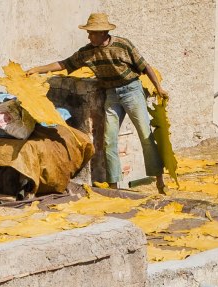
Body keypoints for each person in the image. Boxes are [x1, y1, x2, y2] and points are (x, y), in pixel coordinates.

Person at [25, 12, 169, 194]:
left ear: (103, 33)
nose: (89, 36)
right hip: (111, 94)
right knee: (109, 140)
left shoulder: (123, 45)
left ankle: (160, 182)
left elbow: (145, 66)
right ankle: (114, 187)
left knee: (145, 136)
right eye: (89, 32)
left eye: (92, 33)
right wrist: (38, 69)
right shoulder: (87, 52)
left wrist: (159, 88)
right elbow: (64, 64)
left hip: (132, 90)